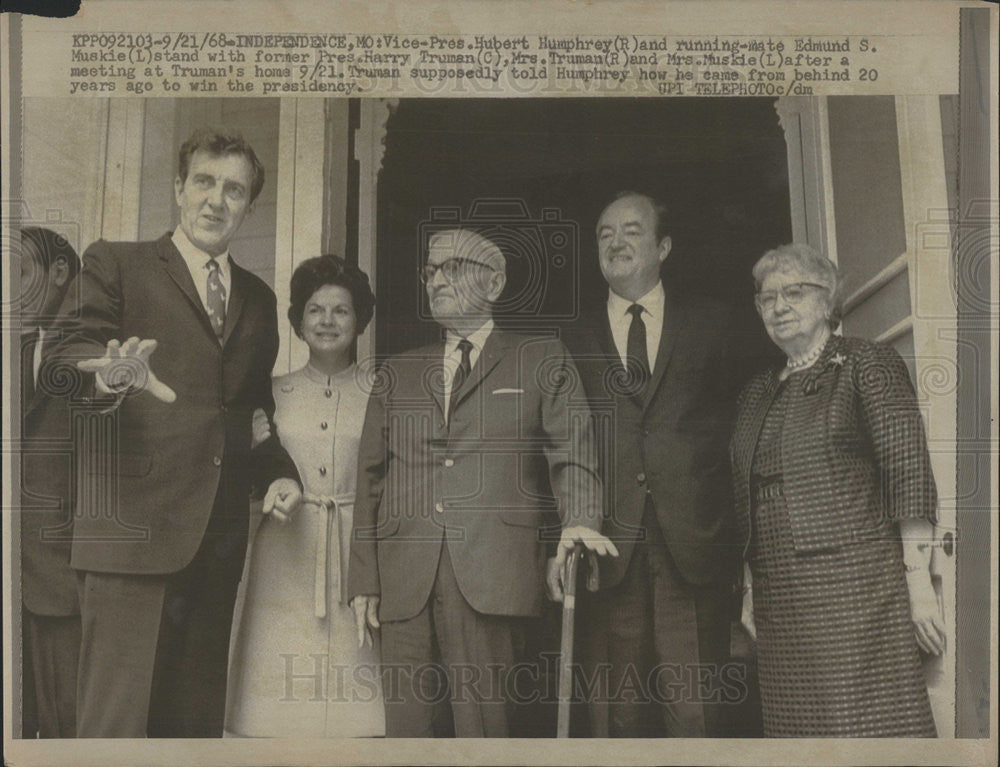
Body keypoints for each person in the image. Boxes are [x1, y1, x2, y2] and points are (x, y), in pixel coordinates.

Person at [45, 127, 302, 738]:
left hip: (216, 542)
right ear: (179, 189)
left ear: (248, 205)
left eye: (234, 190)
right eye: (205, 182)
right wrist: (110, 376)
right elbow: (64, 354)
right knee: (114, 729)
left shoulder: (260, 300)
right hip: (132, 533)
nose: (217, 200)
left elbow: (249, 409)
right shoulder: (118, 261)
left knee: (191, 732)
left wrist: (282, 471)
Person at [348, 228, 618, 737]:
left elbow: (574, 452)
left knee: (487, 737)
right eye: (430, 271)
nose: (435, 281)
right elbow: (369, 480)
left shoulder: (541, 358)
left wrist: (580, 521)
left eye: (452, 268)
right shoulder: (395, 372)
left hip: (493, 577)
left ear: (494, 282)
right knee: (407, 737)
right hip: (404, 582)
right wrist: (363, 579)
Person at [729, 243, 942, 737]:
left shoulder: (866, 363)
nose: (778, 306)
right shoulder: (757, 390)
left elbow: (906, 472)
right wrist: (749, 589)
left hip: (856, 590)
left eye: (794, 292)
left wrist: (919, 587)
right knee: (798, 732)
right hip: (780, 594)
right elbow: (745, 498)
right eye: (767, 297)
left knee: (863, 729)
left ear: (828, 302)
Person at [561, 191, 748, 737]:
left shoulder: (714, 324)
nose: (616, 242)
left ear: (663, 245)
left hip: (694, 545)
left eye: (632, 230)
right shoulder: (568, 337)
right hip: (606, 549)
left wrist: (734, 541)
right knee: (615, 715)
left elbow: (740, 433)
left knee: (695, 712)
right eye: (604, 233)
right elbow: (557, 442)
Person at [226, 255, 385, 737]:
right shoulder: (271, 393)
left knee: (356, 716)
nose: (328, 321)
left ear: (359, 321)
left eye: (341, 310)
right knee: (274, 713)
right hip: (283, 555)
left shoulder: (384, 392)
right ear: (298, 322)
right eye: (315, 310)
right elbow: (247, 467)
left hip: (358, 551)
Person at [17, 227, 82, 738]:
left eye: (19, 275)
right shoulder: (12, 346)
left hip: (66, 584)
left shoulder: (97, 347)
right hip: (11, 582)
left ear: (59, 274)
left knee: (68, 734)